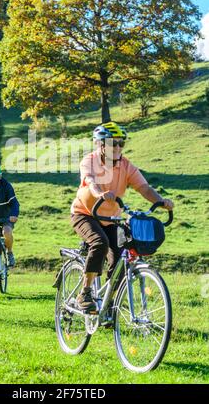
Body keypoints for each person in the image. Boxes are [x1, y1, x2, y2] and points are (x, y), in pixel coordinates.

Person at [70, 122, 174, 313]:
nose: (117, 147)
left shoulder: (126, 166)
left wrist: (161, 201)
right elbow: (90, 181)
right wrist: (100, 192)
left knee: (121, 256)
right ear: (101, 145)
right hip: (85, 214)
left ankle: (110, 302)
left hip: (111, 219)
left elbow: (144, 188)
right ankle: (84, 293)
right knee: (99, 243)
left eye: (121, 144)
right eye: (113, 143)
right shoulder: (90, 161)